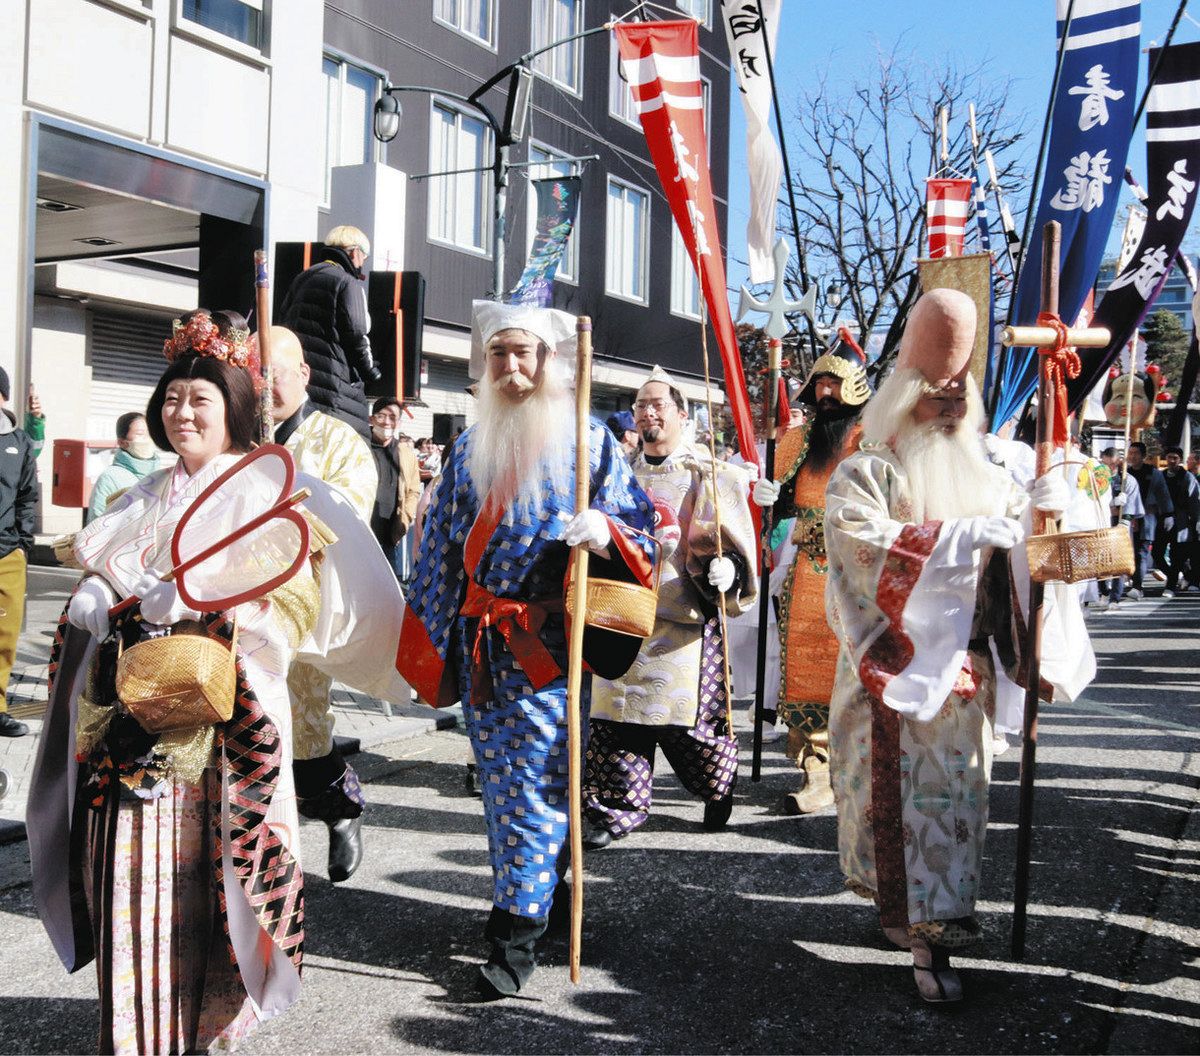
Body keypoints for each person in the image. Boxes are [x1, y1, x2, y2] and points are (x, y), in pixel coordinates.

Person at [823, 289, 1092, 1003]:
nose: (946, 408)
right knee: (892, 813)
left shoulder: (985, 473)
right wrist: (950, 541)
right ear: (904, 395)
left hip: (963, 677)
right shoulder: (870, 470)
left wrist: (1041, 516)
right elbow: (858, 546)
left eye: (956, 396)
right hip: (890, 672)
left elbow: (1027, 559)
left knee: (952, 812)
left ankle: (933, 938)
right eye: (933, 395)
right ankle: (911, 924)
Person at [397, 300, 654, 999]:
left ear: (550, 363)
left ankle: (515, 935)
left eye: (525, 353)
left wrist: (608, 530)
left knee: (532, 787)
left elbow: (643, 530)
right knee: (512, 788)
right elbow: (438, 556)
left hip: (550, 645)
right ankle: (549, 899)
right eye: (499, 354)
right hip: (482, 646)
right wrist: (427, 648)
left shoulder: (592, 443)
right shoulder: (467, 449)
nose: (512, 367)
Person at [583, 365, 757, 844]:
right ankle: (615, 809)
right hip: (624, 611)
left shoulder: (708, 473)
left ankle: (716, 786)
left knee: (688, 727)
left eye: (658, 403)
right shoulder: (616, 473)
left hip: (685, 617)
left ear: (682, 415)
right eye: (641, 404)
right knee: (614, 718)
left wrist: (731, 570)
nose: (648, 412)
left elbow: (732, 537)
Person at [266, 324, 381, 881]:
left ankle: (341, 810)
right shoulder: (240, 436)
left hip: (300, 606)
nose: (263, 387)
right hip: (233, 610)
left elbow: (346, 517)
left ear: (304, 375)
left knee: (304, 731)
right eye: (252, 376)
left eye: (275, 375)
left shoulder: (337, 440)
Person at [750, 328, 871, 814]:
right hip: (807, 566)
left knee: (859, 666)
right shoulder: (796, 439)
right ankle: (815, 769)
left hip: (862, 567)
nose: (824, 393)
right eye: (819, 383)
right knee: (804, 668)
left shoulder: (875, 438)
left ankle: (861, 765)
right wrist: (767, 500)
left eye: (834, 384)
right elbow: (775, 507)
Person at [279, 224, 382, 438]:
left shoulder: (301, 278)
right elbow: (357, 333)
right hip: (336, 388)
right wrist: (370, 370)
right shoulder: (347, 282)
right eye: (364, 256)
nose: (362, 263)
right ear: (354, 252)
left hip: (303, 385)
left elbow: (283, 324)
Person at [0, 365, 38, 738]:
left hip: (7, 553)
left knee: (4, 636)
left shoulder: (19, 442)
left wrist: (23, 546)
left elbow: (28, 496)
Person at [368, 397, 422, 580]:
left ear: (398, 422)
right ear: (371, 419)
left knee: (387, 585)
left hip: (390, 535)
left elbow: (413, 490)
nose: (387, 422)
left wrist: (405, 520)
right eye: (381, 416)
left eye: (392, 417)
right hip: (362, 530)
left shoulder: (405, 453)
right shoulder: (359, 446)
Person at [87, 412, 159, 521]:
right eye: (140, 434)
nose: (147, 439)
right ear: (122, 442)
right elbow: (95, 522)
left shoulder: (162, 474)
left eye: (150, 433)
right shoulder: (110, 477)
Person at [1096, 446, 1144, 610]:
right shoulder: (1096, 480)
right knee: (1099, 561)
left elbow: (1130, 509)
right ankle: (1103, 590)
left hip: (1120, 524)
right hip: (1100, 522)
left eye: (1112, 465)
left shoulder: (1127, 481)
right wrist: (1111, 505)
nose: (1108, 468)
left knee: (1118, 562)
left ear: (1118, 463)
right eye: (1105, 464)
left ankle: (1115, 598)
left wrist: (1121, 514)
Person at [1125, 441, 1172, 598]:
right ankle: (1133, 580)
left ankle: (1138, 586)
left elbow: (1163, 495)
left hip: (1147, 517)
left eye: (1136, 453)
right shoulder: (1126, 473)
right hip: (1128, 518)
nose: (1132, 456)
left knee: (1141, 552)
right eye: (1130, 453)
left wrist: (1168, 515)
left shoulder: (1153, 473)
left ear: (1143, 456)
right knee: (1129, 551)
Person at [1161, 446, 1200, 596]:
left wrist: (1197, 521)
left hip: (1184, 521)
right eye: (1169, 457)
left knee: (1181, 554)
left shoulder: (1187, 478)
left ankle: (1174, 584)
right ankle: (1182, 576)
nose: (1171, 461)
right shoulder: (1161, 475)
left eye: (1175, 458)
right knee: (1158, 552)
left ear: (1180, 460)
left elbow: (1194, 500)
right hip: (1164, 519)